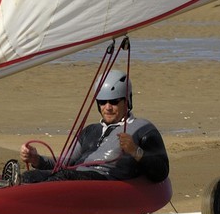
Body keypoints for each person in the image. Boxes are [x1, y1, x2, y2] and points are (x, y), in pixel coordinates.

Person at [15, 71, 169, 184]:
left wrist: (136, 151)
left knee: (65, 176)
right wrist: (36, 159)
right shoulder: (90, 131)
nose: (107, 107)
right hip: (75, 177)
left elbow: (161, 172)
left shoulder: (142, 129)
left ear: (127, 101)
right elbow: (65, 164)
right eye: (103, 102)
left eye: (114, 102)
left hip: (106, 181)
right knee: (31, 175)